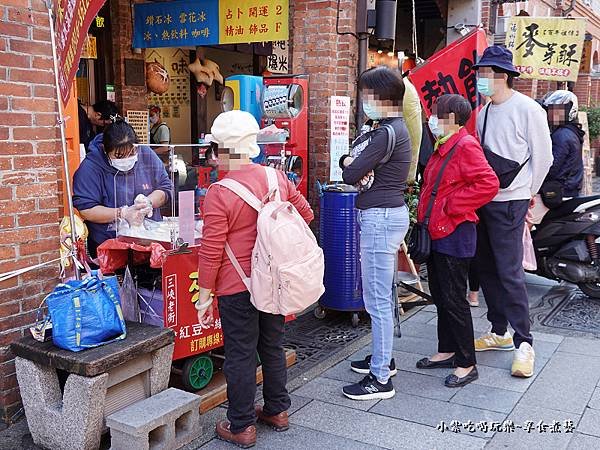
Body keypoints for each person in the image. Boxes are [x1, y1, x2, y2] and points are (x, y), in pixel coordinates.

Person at [194, 111, 313, 448]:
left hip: (236, 286)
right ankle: (277, 410)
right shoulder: (276, 177)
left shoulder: (219, 192)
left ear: (221, 150)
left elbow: (211, 251)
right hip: (274, 280)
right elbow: (306, 214)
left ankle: (242, 425)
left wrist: (204, 297)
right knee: (272, 345)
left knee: (241, 354)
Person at [473, 46, 553, 378]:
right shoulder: (483, 113)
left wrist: (527, 192)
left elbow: (543, 157)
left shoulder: (528, 109)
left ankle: (524, 343)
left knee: (510, 272)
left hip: (512, 201)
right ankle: (499, 330)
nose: (480, 80)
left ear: (502, 76)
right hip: (486, 199)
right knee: (486, 267)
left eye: (484, 74)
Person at [415, 94, 499, 388]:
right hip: (438, 231)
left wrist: (453, 206)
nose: (432, 119)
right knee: (440, 295)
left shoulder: (464, 145)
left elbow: (489, 183)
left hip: (454, 232)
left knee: (453, 299)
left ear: (451, 118)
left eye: (437, 114)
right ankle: (447, 349)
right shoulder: (445, 145)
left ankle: (467, 362)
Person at [339, 66, 411, 400]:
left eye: (367, 94)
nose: (363, 100)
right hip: (387, 215)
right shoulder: (393, 127)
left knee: (377, 300)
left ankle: (381, 378)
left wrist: (348, 164)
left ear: (381, 96)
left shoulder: (384, 133)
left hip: (380, 219)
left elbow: (352, 171)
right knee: (383, 295)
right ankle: (383, 358)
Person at [72, 119, 172, 258]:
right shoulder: (90, 167)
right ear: (105, 151)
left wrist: (148, 202)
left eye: (131, 153)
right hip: (109, 245)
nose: (127, 158)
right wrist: (122, 213)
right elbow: (86, 209)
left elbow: (165, 187)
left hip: (149, 241)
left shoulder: (146, 155)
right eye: (119, 156)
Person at [529, 90, 585, 222]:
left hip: (558, 191)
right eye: (551, 110)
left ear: (569, 111)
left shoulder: (562, 135)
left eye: (558, 110)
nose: (552, 114)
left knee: (527, 221)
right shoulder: (570, 132)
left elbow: (551, 166)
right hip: (568, 189)